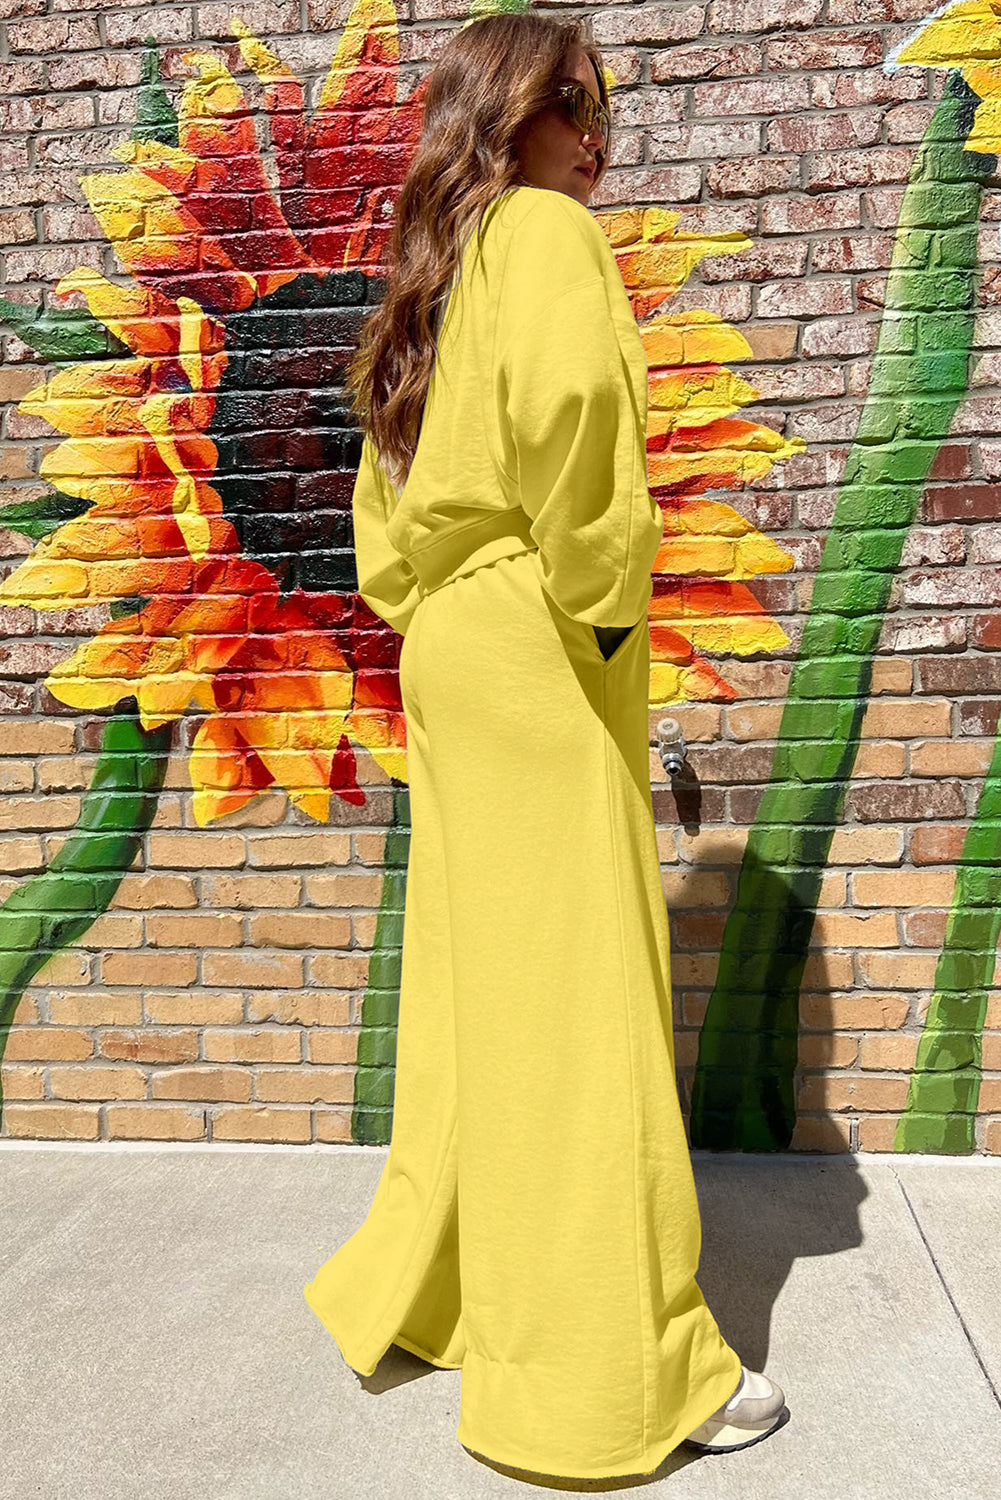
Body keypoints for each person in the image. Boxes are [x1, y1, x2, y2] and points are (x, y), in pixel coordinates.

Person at [303, 10, 788, 1479]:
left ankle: (450, 1295)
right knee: (584, 1011)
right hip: (535, 630)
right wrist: (590, 606)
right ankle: (617, 1372)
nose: (599, 134)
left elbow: (380, 517)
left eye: (600, 105)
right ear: (510, 114)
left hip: (450, 646)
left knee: (482, 999)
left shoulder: (430, 280)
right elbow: (578, 423)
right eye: (576, 104)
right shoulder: (552, 238)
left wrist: (437, 608)